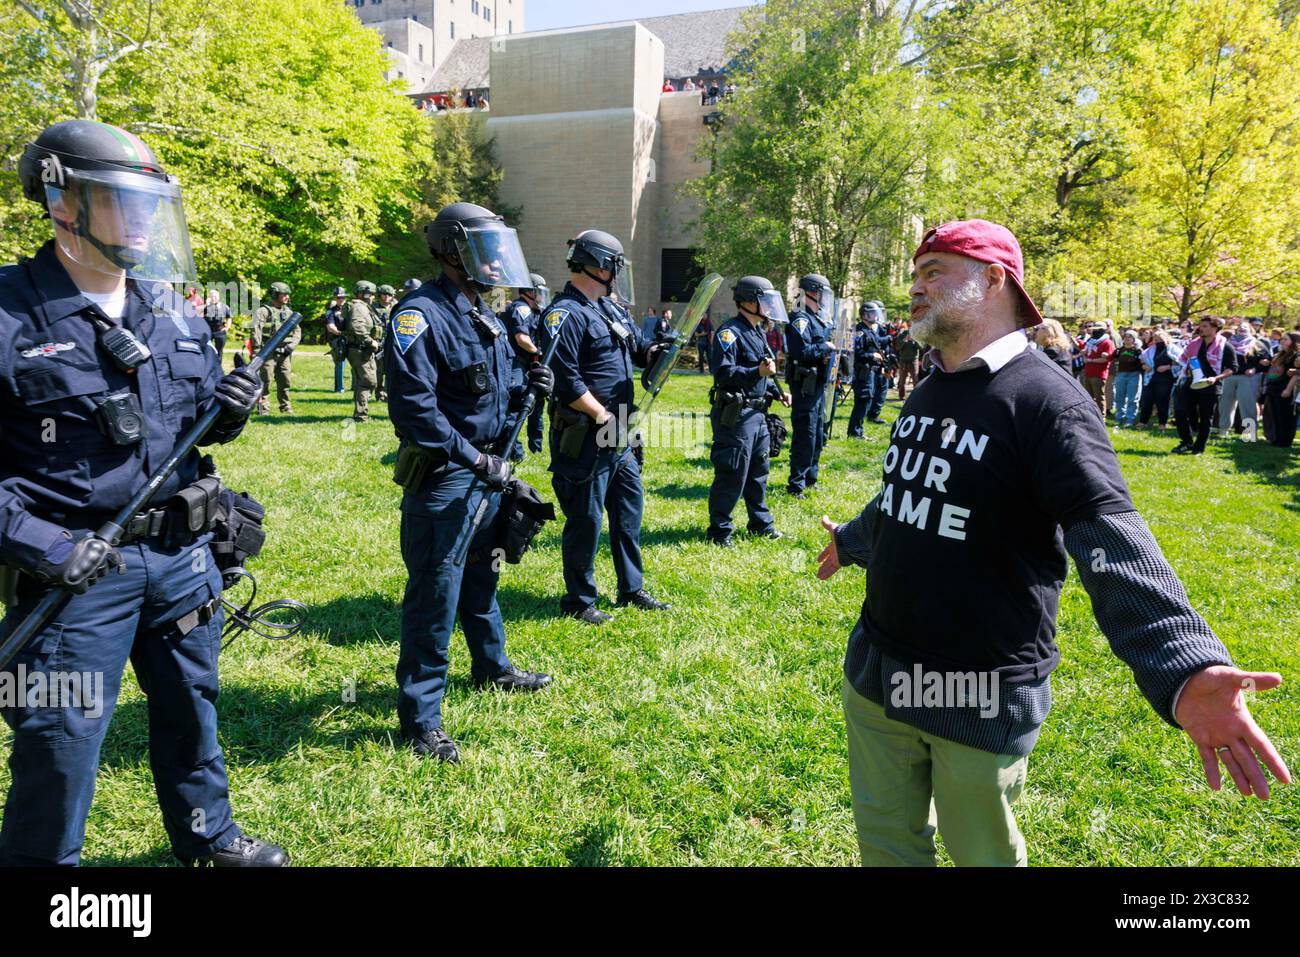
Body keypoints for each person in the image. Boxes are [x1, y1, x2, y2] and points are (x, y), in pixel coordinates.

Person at [818, 218, 1290, 867]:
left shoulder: (1049, 403)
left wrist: (1184, 663)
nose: (915, 289)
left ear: (992, 280)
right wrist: (851, 540)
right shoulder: (931, 387)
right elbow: (912, 493)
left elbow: (1109, 538)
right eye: (915, 276)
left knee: (981, 854)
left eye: (933, 273)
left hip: (976, 696)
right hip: (877, 675)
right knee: (888, 847)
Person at [0, 119, 287, 866]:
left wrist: (225, 416)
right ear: (64, 203)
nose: (142, 218)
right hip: (74, 573)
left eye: (149, 202)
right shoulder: (8, 315)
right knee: (59, 742)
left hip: (181, 557)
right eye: (121, 200)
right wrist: (47, 546)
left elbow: (180, 432)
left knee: (193, 711)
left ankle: (208, 835)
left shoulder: (172, 310)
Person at [385, 202, 555, 763]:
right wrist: (476, 462)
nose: (495, 261)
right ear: (454, 251)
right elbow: (416, 413)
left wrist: (532, 382)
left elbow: (496, 394)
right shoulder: (419, 315)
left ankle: (492, 667)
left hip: (488, 474)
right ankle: (420, 718)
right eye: (484, 249)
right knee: (435, 594)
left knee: (483, 574)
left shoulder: (485, 314)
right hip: (447, 480)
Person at [538, 229, 670, 625]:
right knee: (586, 521)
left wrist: (657, 352)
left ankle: (631, 588)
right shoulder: (564, 314)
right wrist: (602, 416)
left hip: (620, 433)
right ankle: (579, 600)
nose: (616, 274)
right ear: (599, 265)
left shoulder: (609, 310)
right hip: (586, 434)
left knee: (628, 513)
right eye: (614, 265)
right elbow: (566, 380)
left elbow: (637, 350)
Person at [705, 276, 791, 546]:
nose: (767, 306)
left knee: (758, 473)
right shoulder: (729, 332)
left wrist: (777, 392)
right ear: (746, 301)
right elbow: (723, 372)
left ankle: (760, 524)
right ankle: (720, 532)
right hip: (737, 416)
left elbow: (764, 372)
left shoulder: (758, 331)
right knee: (732, 473)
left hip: (758, 415)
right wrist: (757, 371)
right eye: (762, 300)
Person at [784, 274, 835, 498]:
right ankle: (796, 484)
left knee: (817, 432)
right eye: (822, 292)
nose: (825, 297)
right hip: (805, 384)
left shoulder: (819, 317)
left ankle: (810, 478)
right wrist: (825, 347)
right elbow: (800, 351)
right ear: (813, 292)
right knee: (805, 433)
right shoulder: (800, 318)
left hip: (819, 383)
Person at [500, 272, 550, 455]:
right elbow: (522, 339)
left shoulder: (534, 311)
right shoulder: (521, 308)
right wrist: (538, 351)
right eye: (539, 292)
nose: (542, 296)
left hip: (529, 363)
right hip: (517, 362)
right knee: (515, 404)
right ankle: (512, 449)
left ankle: (535, 448)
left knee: (537, 402)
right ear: (530, 291)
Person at [1173, 316, 1238, 455]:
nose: (1200, 329)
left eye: (1205, 326)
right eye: (1200, 326)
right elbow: (1184, 360)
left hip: (1211, 385)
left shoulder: (1225, 346)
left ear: (1215, 328)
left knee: (1205, 418)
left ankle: (1198, 447)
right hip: (1191, 383)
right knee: (1180, 411)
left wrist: (1216, 378)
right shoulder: (1194, 343)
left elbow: (1232, 368)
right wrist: (1187, 367)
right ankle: (1186, 442)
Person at [249, 281, 302, 414]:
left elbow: (297, 332)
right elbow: (256, 331)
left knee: (285, 381)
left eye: (287, 295)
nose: (287, 297)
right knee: (265, 381)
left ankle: (285, 406)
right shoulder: (262, 311)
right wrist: (257, 351)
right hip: (268, 353)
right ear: (275, 294)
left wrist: (292, 345)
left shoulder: (289, 312)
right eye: (284, 294)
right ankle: (263, 408)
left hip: (285, 353)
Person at [846, 301, 890, 436]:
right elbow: (855, 353)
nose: (876, 316)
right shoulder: (859, 331)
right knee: (863, 400)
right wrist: (872, 355)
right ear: (864, 314)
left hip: (871, 370)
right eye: (872, 313)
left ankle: (857, 431)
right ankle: (855, 432)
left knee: (867, 400)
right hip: (862, 371)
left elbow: (878, 344)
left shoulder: (871, 330)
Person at [344, 281, 382, 422]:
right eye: (369, 293)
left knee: (365, 381)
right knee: (368, 381)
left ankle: (360, 412)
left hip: (361, 348)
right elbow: (357, 326)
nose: (372, 296)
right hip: (360, 348)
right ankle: (361, 415)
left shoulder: (363, 306)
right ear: (362, 294)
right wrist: (369, 341)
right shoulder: (358, 307)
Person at [1219, 320, 1260, 436]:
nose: (1242, 328)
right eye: (1240, 327)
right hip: (1229, 376)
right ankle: (1223, 430)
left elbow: (1265, 361)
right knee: (1225, 405)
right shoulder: (1228, 343)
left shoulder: (1256, 343)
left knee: (1247, 406)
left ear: (1251, 329)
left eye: (1245, 327)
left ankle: (1250, 433)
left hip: (1246, 378)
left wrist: (1254, 369)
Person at [1138, 330, 1176, 429]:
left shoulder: (1172, 349)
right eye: (1156, 339)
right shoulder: (1150, 350)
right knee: (1147, 400)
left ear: (1166, 338)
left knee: (1162, 400)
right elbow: (1141, 359)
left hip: (1165, 378)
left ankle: (1162, 423)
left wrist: (1167, 367)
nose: (1158, 341)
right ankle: (1143, 421)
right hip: (1151, 377)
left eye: (1160, 339)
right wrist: (1144, 365)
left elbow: (1180, 361)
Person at [1111, 329, 1144, 427]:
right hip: (1120, 374)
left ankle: (1130, 419)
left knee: (1132, 398)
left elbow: (1143, 362)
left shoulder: (1138, 351)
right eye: (1125, 336)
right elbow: (1113, 359)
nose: (1127, 338)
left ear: (1134, 339)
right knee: (1119, 397)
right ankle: (1119, 417)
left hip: (1134, 375)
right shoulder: (1119, 350)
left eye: (1130, 337)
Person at [1080, 322, 1114, 416]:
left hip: (1099, 374)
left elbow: (1106, 359)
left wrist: (1090, 360)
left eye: (1097, 329)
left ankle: (1102, 417)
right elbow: (1085, 352)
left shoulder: (1107, 342)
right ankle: (1090, 415)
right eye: (1094, 329)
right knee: (1088, 396)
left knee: (1099, 397)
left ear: (1102, 330)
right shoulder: (1090, 341)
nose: (1094, 331)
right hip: (1088, 372)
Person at [372, 284, 397, 402]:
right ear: (379, 295)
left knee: (390, 369)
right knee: (378, 370)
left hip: (392, 341)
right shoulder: (373, 307)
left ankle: (388, 393)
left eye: (390, 295)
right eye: (384, 294)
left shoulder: (397, 306)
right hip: (378, 341)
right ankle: (379, 393)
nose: (387, 297)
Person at [322, 286, 348, 393]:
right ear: (335, 298)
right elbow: (330, 327)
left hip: (351, 339)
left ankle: (355, 387)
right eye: (338, 298)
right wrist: (341, 333)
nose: (341, 299)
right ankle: (339, 388)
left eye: (342, 297)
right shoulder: (331, 312)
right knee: (340, 364)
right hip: (338, 340)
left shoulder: (350, 310)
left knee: (356, 364)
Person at [204, 287, 232, 370]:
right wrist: (206, 305)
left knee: (219, 351)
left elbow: (229, 317)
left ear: (218, 297)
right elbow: (200, 315)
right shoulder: (206, 307)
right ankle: (208, 365)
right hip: (209, 331)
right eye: (211, 296)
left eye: (215, 296)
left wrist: (227, 327)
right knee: (207, 349)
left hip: (220, 331)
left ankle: (218, 367)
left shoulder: (224, 307)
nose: (213, 298)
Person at [894, 322, 921, 398]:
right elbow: (897, 347)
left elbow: (921, 348)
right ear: (908, 326)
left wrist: (914, 341)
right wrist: (904, 340)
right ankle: (901, 396)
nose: (911, 327)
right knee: (902, 380)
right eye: (910, 326)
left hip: (913, 360)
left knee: (915, 379)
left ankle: (916, 396)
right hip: (903, 360)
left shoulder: (917, 334)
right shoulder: (902, 334)